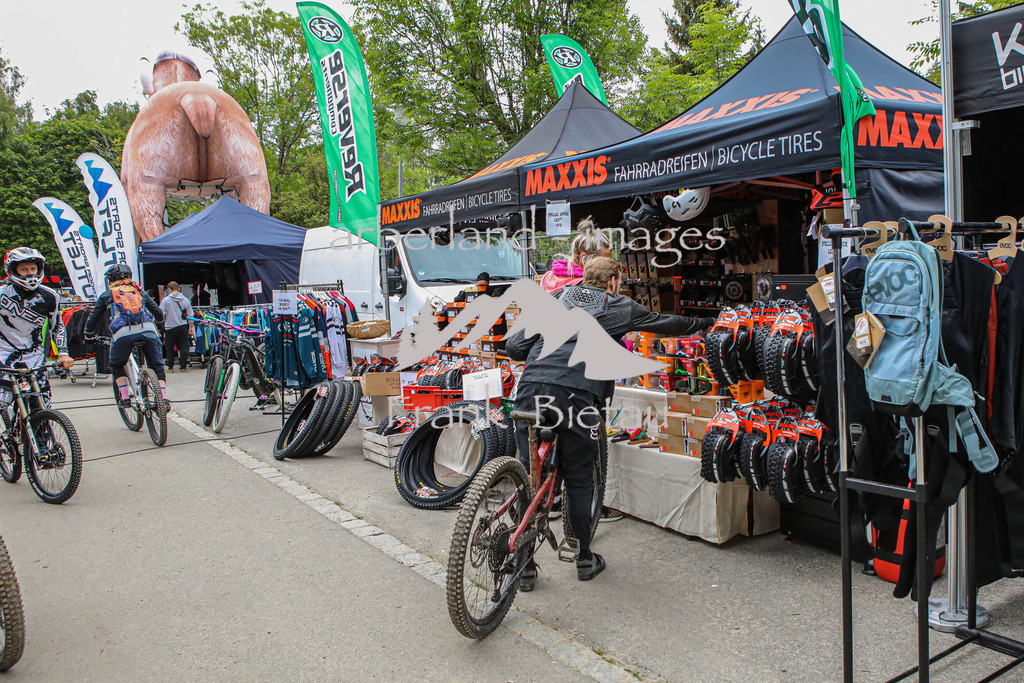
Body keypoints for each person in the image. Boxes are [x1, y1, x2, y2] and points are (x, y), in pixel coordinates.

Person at [505, 257, 714, 590]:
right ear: (614, 280)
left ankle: (523, 564)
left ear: (584, 278)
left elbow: (513, 347)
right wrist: (707, 322)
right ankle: (585, 558)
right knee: (578, 476)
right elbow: (666, 323)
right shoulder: (618, 306)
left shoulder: (558, 299)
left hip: (531, 389)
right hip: (576, 394)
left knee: (530, 474)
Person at [0, 248, 75, 408]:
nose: (30, 273)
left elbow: (57, 326)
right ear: (13, 270)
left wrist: (63, 354)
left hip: (34, 356)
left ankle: (39, 432)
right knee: (3, 399)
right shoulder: (1, 294)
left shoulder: (49, 296)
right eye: (24, 269)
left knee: (41, 406)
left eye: (33, 269)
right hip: (3, 354)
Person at [85, 264, 167, 407]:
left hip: (123, 333)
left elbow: (93, 317)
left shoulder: (107, 295)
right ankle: (163, 400)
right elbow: (158, 312)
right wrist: (159, 325)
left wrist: (88, 333)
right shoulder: (140, 291)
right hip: (148, 329)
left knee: (116, 364)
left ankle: (125, 398)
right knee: (157, 366)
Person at [540, 218, 612, 295]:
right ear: (585, 259)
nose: (609, 267)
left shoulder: (548, 277)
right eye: (604, 262)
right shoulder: (587, 287)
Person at [160, 281, 194, 372]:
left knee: (169, 347)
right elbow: (190, 314)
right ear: (178, 289)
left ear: (169, 289)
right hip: (183, 326)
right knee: (183, 346)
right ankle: (183, 367)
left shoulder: (165, 300)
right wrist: (191, 327)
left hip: (170, 327)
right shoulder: (185, 299)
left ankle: (170, 368)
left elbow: (162, 313)